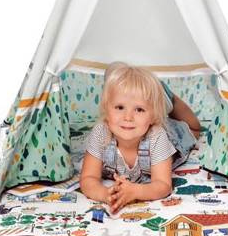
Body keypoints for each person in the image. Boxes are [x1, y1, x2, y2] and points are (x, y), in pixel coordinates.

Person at [80, 62, 200, 213]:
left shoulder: (157, 136)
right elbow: (88, 178)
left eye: (139, 109)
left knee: (195, 128)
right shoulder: (100, 133)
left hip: (173, 134)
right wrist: (105, 194)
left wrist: (136, 191)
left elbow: (163, 185)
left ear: (152, 117)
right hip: (145, 124)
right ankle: (153, 100)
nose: (128, 117)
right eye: (120, 107)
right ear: (106, 110)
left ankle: (168, 98)